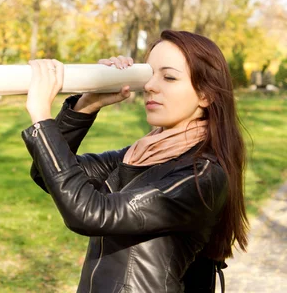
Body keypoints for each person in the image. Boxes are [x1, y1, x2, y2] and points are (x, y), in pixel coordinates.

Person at [22, 30, 248, 293]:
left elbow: (90, 213)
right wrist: (86, 105)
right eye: (148, 74)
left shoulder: (201, 175)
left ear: (205, 95)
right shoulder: (140, 154)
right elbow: (46, 174)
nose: (150, 86)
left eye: (169, 77)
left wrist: (41, 116)